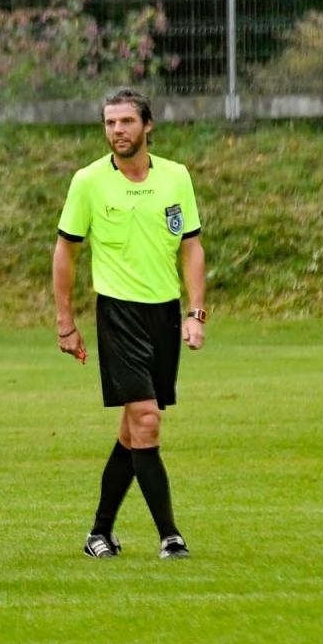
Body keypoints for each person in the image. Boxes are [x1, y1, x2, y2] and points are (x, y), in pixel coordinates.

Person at [53, 87, 206, 561]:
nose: (117, 130)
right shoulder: (88, 181)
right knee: (147, 419)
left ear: (147, 125)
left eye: (126, 121)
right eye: (110, 122)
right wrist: (65, 321)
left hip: (164, 314)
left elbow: (191, 246)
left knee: (132, 430)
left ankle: (99, 532)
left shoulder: (176, 177)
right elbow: (65, 252)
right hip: (118, 314)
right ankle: (170, 537)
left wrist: (195, 312)